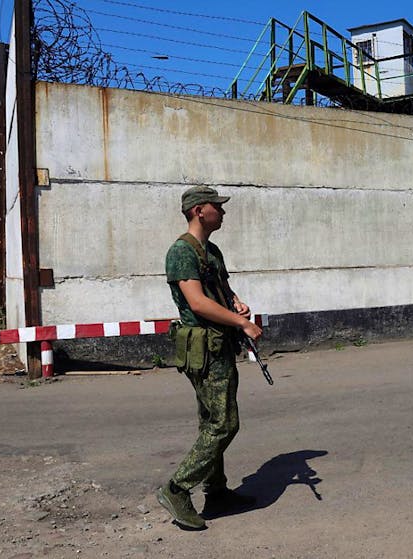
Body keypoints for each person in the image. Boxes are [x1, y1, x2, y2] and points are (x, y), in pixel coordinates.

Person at [156, 185, 263, 529]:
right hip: (204, 348)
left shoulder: (210, 251)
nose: (223, 212)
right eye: (218, 207)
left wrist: (236, 302)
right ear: (200, 210)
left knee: (211, 421)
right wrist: (243, 323)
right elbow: (198, 303)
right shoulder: (181, 252)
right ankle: (177, 488)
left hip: (218, 344)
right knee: (224, 423)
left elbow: (219, 291)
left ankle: (216, 492)